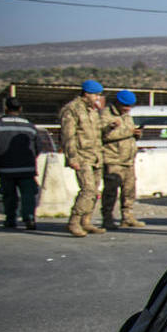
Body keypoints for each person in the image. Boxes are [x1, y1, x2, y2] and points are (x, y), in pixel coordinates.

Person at [60, 80, 107, 237]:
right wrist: (72, 157)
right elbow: (68, 136)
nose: (97, 98)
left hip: (95, 156)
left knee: (94, 191)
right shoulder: (72, 110)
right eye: (95, 95)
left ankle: (86, 221)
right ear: (86, 94)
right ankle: (74, 221)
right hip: (82, 156)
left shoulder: (92, 111)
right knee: (87, 190)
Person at [0, 97, 40, 229]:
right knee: (28, 194)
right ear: (20, 109)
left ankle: (10, 219)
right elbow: (38, 146)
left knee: (9, 195)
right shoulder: (30, 125)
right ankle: (29, 218)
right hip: (27, 168)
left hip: (5, 168)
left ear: (5, 109)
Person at [99, 89, 146, 229]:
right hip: (113, 159)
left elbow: (128, 133)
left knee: (129, 190)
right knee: (111, 191)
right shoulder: (106, 116)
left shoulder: (127, 116)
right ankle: (107, 218)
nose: (127, 109)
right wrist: (128, 132)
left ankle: (127, 217)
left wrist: (136, 134)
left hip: (128, 159)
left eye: (129, 107)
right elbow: (105, 135)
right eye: (125, 106)